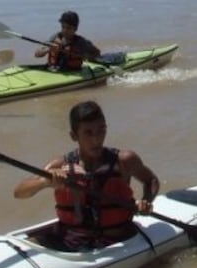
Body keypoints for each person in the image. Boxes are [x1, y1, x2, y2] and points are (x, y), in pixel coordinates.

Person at [13, 100, 160, 251]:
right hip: (72, 241)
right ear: (74, 136)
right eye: (88, 133)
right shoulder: (60, 166)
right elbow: (19, 193)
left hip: (117, 241)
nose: (96, 139)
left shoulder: (124, 160)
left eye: (101, 130)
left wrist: (146, 201)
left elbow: (151, 181)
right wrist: (46, 181)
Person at [34, 10, 101, 71]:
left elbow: (97, 53)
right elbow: (37, 54)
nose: (65, 30)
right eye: (63, 27)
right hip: (52, 70)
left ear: (75, 29)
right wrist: (49, 49)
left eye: (69, 28)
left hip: (72, 72)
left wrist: (85, 56)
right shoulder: (55, 37)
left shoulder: (81, 42)